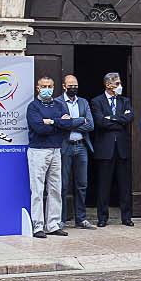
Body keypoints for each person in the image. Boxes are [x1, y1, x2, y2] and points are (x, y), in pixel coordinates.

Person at [25, 76, 73, 238]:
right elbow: (39, 128)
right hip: (38, 151)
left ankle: (53, 224)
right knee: (37, 190)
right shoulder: (33, 107)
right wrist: (57, 123)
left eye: (50, 86)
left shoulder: (59, 105)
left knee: (55, 189)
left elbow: (68, 125)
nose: (47, 89)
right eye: (43, 86)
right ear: (37, 88)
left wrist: (50, 122)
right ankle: (37, 226)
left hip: (56, 150)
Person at [90, 72, 134, 227]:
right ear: (108, 85)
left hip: (122, 148)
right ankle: (102, 217)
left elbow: (129, 118)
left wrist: (112, 118)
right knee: (104, 184)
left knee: (124, 184)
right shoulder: (97, 102)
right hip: (105, 149)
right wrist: (118, 120)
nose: (119, 86)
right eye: (117, 83)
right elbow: (100, 122)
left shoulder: (125, 101)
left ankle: (126, 217)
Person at [58, 73, 95, 230]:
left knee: (82, 184)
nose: (73, 88)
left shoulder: (83, 102)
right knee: (63, 185)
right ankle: (61, 219)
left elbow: (90, 125)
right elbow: (59, 125)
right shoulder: (57, 103)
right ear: (64, 86)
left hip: (81, 146)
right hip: (65, 146)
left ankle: (81, 218)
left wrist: (71, 122)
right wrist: (80, 120)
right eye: (70, 85)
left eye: (75, 85)